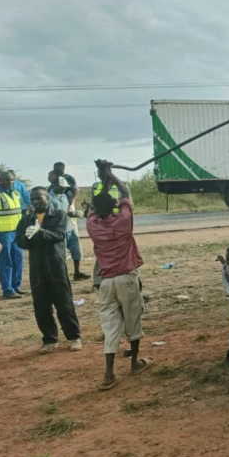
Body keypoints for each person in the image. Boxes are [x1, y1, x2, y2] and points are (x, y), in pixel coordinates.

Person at [86, 161, 151, 390]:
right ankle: (134, 362)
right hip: (127, 278)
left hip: (106, 283)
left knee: (110, 326)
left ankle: (109, 374)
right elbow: (126, 192)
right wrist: (111, 175)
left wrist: (103, 178)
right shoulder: (123, 222)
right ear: (114, 205)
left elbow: (98, 204)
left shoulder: (92, 225)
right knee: (133, 320)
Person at [16, 187, 82, 353]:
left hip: (56, 265)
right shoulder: (26, 219)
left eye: (40, 198)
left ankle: (74, 337)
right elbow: (19, 241)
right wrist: (27, 237)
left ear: (47, 198)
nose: (36, 202)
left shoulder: (59, 215)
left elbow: (59, 235)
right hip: (37, 268)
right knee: (41, 305)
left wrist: (41, 232)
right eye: (33, 199)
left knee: (64, 303)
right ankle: (50, 340)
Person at [0, 171, 25, 299]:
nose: (10, 182)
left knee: (18, 260)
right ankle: (7, 289)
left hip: (16, 233)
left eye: (12, 180)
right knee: (5, 261)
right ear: (0, 180)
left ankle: (16, 287)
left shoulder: (16, 193)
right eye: (7, 180)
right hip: (2, 233)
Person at [47, 171, 90, 281]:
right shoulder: (49, 198)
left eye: (65, 187)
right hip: (58, 229)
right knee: (61, 254)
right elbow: (51, 214)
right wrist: (71, 214)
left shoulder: (64, 196)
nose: (64, 189)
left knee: (76, 250)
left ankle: (77, 272)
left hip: (69, 227)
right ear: (55, 185)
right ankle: (62, 275)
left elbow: (65, 210)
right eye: (62, 187)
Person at [90, 176, 121, 289]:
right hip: (103, 221)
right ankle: (98, 281)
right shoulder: (96, 186)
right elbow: (95, 201)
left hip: (116, 220)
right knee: (103, 252)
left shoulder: (119, 186)